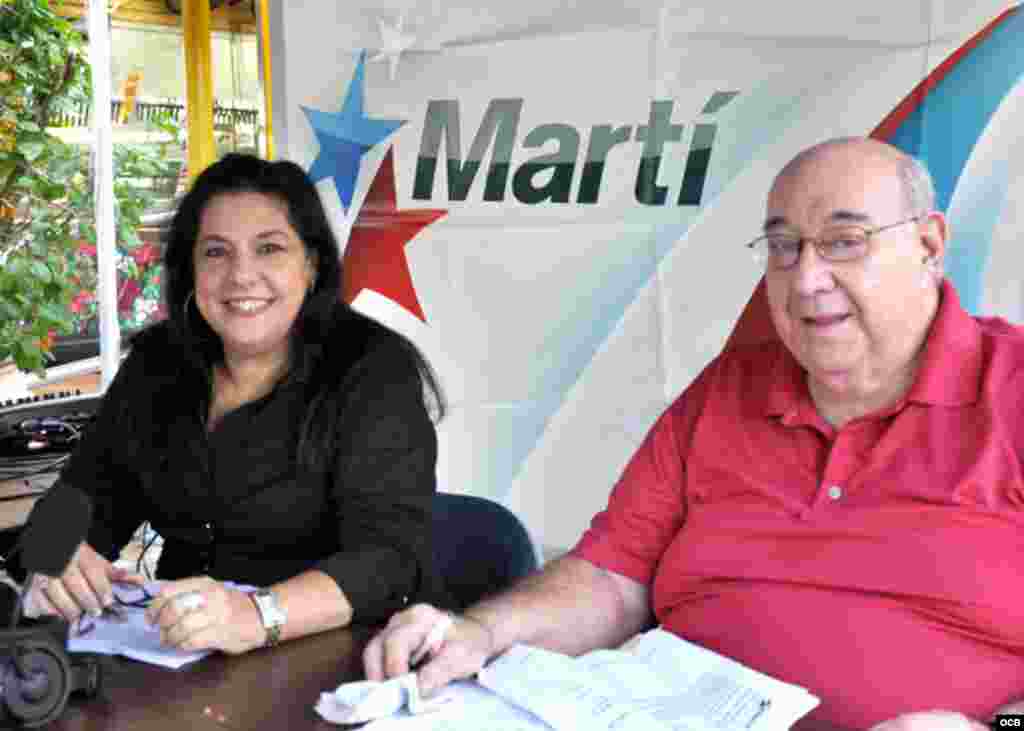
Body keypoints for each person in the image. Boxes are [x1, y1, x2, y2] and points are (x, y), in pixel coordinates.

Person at [363, 137, 1024, 730]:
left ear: (929, 246)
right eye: (784, 247)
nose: (806, 278)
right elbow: (611, 577)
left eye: (844, 241)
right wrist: (479, 632)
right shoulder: (729, 387)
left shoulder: (1013, 391)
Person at [22, 153, 447, 654]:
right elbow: (83, 492)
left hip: (343, 657)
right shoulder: (157, 364)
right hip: (177, 655)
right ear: (191, 270)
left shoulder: (371, 369)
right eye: (216, 252)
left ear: (311, 264)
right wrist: (55, 555)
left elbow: (388, 562)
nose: (242, 275)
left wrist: (256, 614)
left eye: (269, 248)